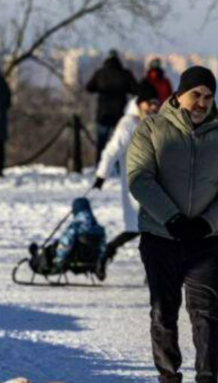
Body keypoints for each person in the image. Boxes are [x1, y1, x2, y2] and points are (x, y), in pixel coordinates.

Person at [126, 66, 218, 383]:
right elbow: (139, 177)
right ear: (180, 94)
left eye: (208, 96)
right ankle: (168, 381)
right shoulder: (151, 129)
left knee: (205, 314)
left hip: (204, 241)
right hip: (161, 237)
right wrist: (173, 219)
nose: (202, 102)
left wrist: (209, 222)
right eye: (196, 94)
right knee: (163, 311)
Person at [92, 82, 161, 279]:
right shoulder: (128, 124)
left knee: (144, 229)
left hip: (154, 183)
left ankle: (107, 252)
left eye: (156, 103)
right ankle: (153, 272)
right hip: (136, 186)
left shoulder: (152, 122)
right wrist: (101, 175)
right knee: (152, 228)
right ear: (140, 104)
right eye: (150, 103)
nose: (154, 107)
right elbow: (112, 150)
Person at [28, 198, 107, 279]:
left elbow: (65, 244)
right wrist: (98, 261)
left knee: (53, 248)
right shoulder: (99, 229)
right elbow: (102, 249)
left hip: (72, 258)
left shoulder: (76, 227)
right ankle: (39, 252)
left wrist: (59, 259)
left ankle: (37, 254)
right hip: (91, 260)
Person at [86, 50, 138, 165]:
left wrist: (101, 89)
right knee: (120, 143)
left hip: (103, 113)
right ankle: (119, 167)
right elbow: (136, 90)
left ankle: (100, 165)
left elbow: (89, 87)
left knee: (102, 142)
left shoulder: (100, 73)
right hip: (120, 113)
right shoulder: (125, 74)